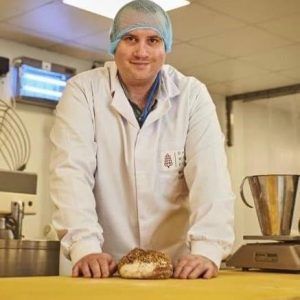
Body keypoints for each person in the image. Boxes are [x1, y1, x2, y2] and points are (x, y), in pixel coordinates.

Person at [49, 0, 235, 280]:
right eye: (130, 38)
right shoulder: (83, 91)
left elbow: (212, 177)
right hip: (104, 266)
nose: (141, 51)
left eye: (153, 40)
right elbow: (70, 172)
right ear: (114, 44)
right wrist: (84, 246)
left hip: (177, 268)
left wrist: (208, 249)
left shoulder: (191, 95)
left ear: (166, 47)